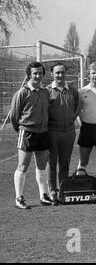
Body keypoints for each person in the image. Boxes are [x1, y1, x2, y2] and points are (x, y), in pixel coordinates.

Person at [10, 62, 52, 209]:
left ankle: (43, 195)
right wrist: (22, 129)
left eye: (40, 73)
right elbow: (14, 116)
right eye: (35, 73)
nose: (38, 76)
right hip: (27, 132)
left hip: (43, 132)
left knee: (41, 166)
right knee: (23, 166)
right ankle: (19, 198)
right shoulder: (22, 93)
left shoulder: (46, 92)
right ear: (29, 75)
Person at [46, 63, 80, 205]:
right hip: (52, 131)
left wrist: (70, 121)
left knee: (65, 162)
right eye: (57, 73)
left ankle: (63, 189)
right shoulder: (46, 91)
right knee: (51, 163)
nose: (60, 75)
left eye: (62, 72)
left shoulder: (73, 91)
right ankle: (52, 191)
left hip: (69, 132)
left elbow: (77, 108)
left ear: (66, 73)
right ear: (52, 74)